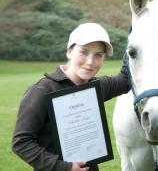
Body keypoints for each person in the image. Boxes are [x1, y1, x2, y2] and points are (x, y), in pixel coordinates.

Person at [12, 23, 130, 171]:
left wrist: (135, 39)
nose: (90, 62)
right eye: (84, 52)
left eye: (98, 55)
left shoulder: (96, 87)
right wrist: (64, 167)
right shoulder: (41, 90)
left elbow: (125, 80)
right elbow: (21, 142)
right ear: (69, 51)